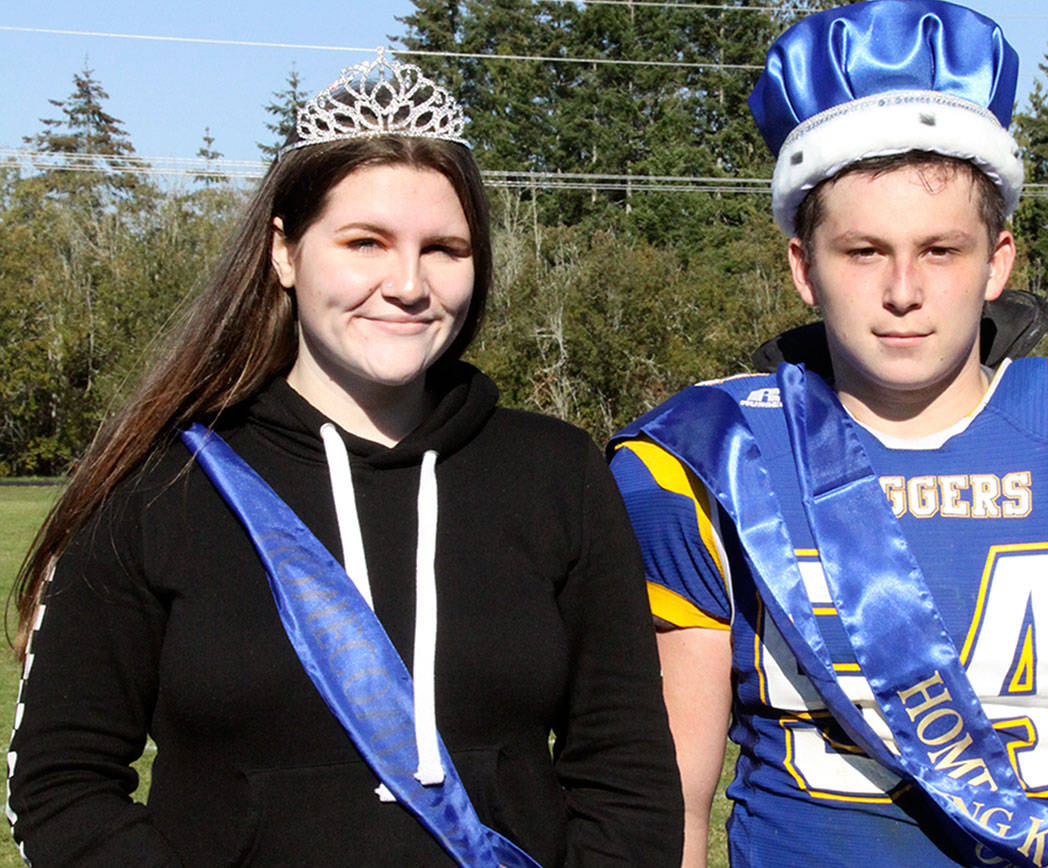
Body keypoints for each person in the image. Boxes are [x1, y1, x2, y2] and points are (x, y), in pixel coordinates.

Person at [608, 2, 1048, 866]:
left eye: (941, 250)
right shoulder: (713, 454)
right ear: (804, 266)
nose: (904, 290)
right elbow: (674, 802)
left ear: (999, 262)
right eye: (864, 251)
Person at [8, 50, 681, 866]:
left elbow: (629, 777)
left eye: (444, 248)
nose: (407, 282)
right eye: (365, 242)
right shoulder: (164, 480)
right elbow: (60, 782)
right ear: (284, 252)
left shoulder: (557, 473)